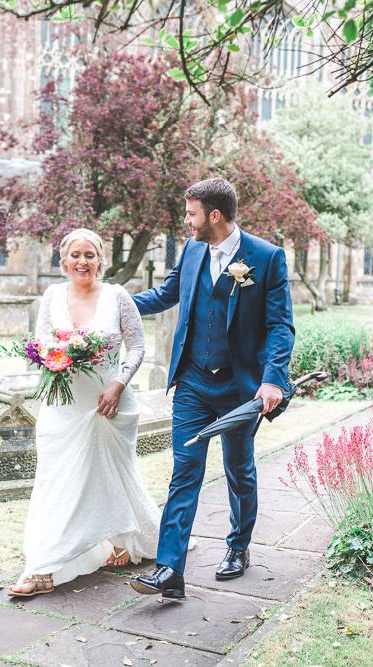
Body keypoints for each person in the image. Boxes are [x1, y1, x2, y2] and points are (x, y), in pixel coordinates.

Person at [129, 177, 295, 600]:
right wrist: (115, 302)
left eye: (191, 213)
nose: (186, 221)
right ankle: (170, 569)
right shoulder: (192, 250)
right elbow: (167, 294)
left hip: (240, 389)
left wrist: (272, 378)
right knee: (184, 471)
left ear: (214, 216)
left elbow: (280, 326)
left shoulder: (266, 257)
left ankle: (238, 548)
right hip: (192, 383)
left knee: (239, 469)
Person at [8, 228, 161, 597]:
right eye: (75, 255)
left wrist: (119, 383)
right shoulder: (52, 296)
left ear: (101, 260)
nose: (82, 262)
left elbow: (137, 346)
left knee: (110, 476)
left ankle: (122, 537)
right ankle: (44, 564)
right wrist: (49, 356)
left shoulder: (117, 296)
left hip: (108, 405)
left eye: (90, 255)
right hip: (62, 405)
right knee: (57, 481)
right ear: (63, 261)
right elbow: (41, 342)